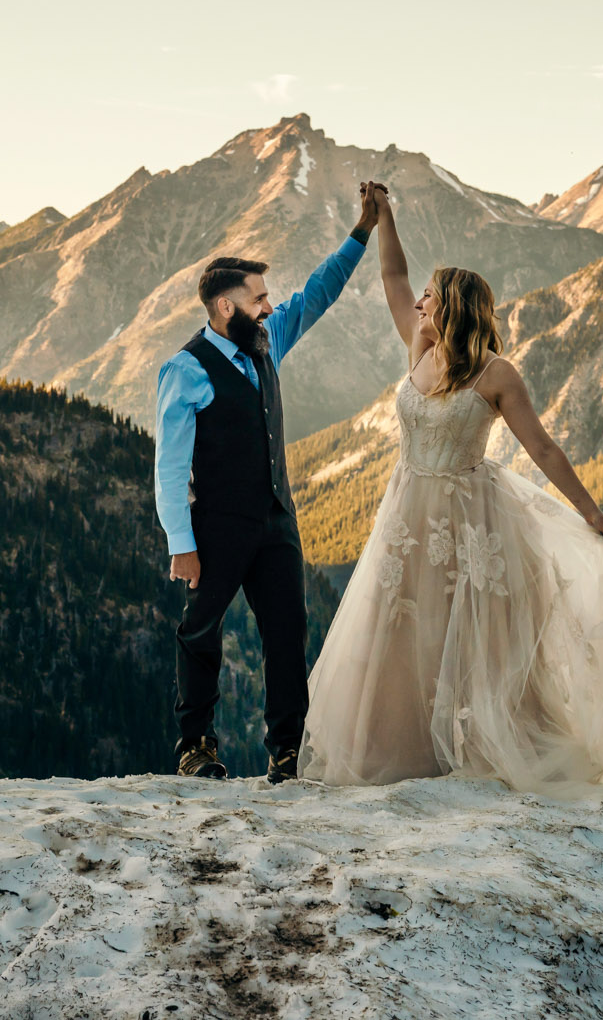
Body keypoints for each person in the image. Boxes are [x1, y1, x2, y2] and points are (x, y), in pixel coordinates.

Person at [297, 184, 603, 805]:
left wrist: (588, 509)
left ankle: (476, 750)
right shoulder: (418, 346)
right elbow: (394, 275)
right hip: (404, 517)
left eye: (432, 294)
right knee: (399, 638)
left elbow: (543, 449)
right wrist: (384, 221)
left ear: (451, 305)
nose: (419, 300)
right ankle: (407, 754)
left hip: (466, 522)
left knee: (466, 640)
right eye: (423, 294)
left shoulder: (496, 374)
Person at [153, 180, 384, 784]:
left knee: (287, 635)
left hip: (277, 521)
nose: (269, 307)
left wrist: (363, 230)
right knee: (200, 631)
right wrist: (182, 541)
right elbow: (171, 466)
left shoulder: (265, 343)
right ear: (225, 307)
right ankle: (195, 747)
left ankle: (288, 751)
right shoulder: (183, 371)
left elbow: (317, 294)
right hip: (218, 526)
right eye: (258, 299)